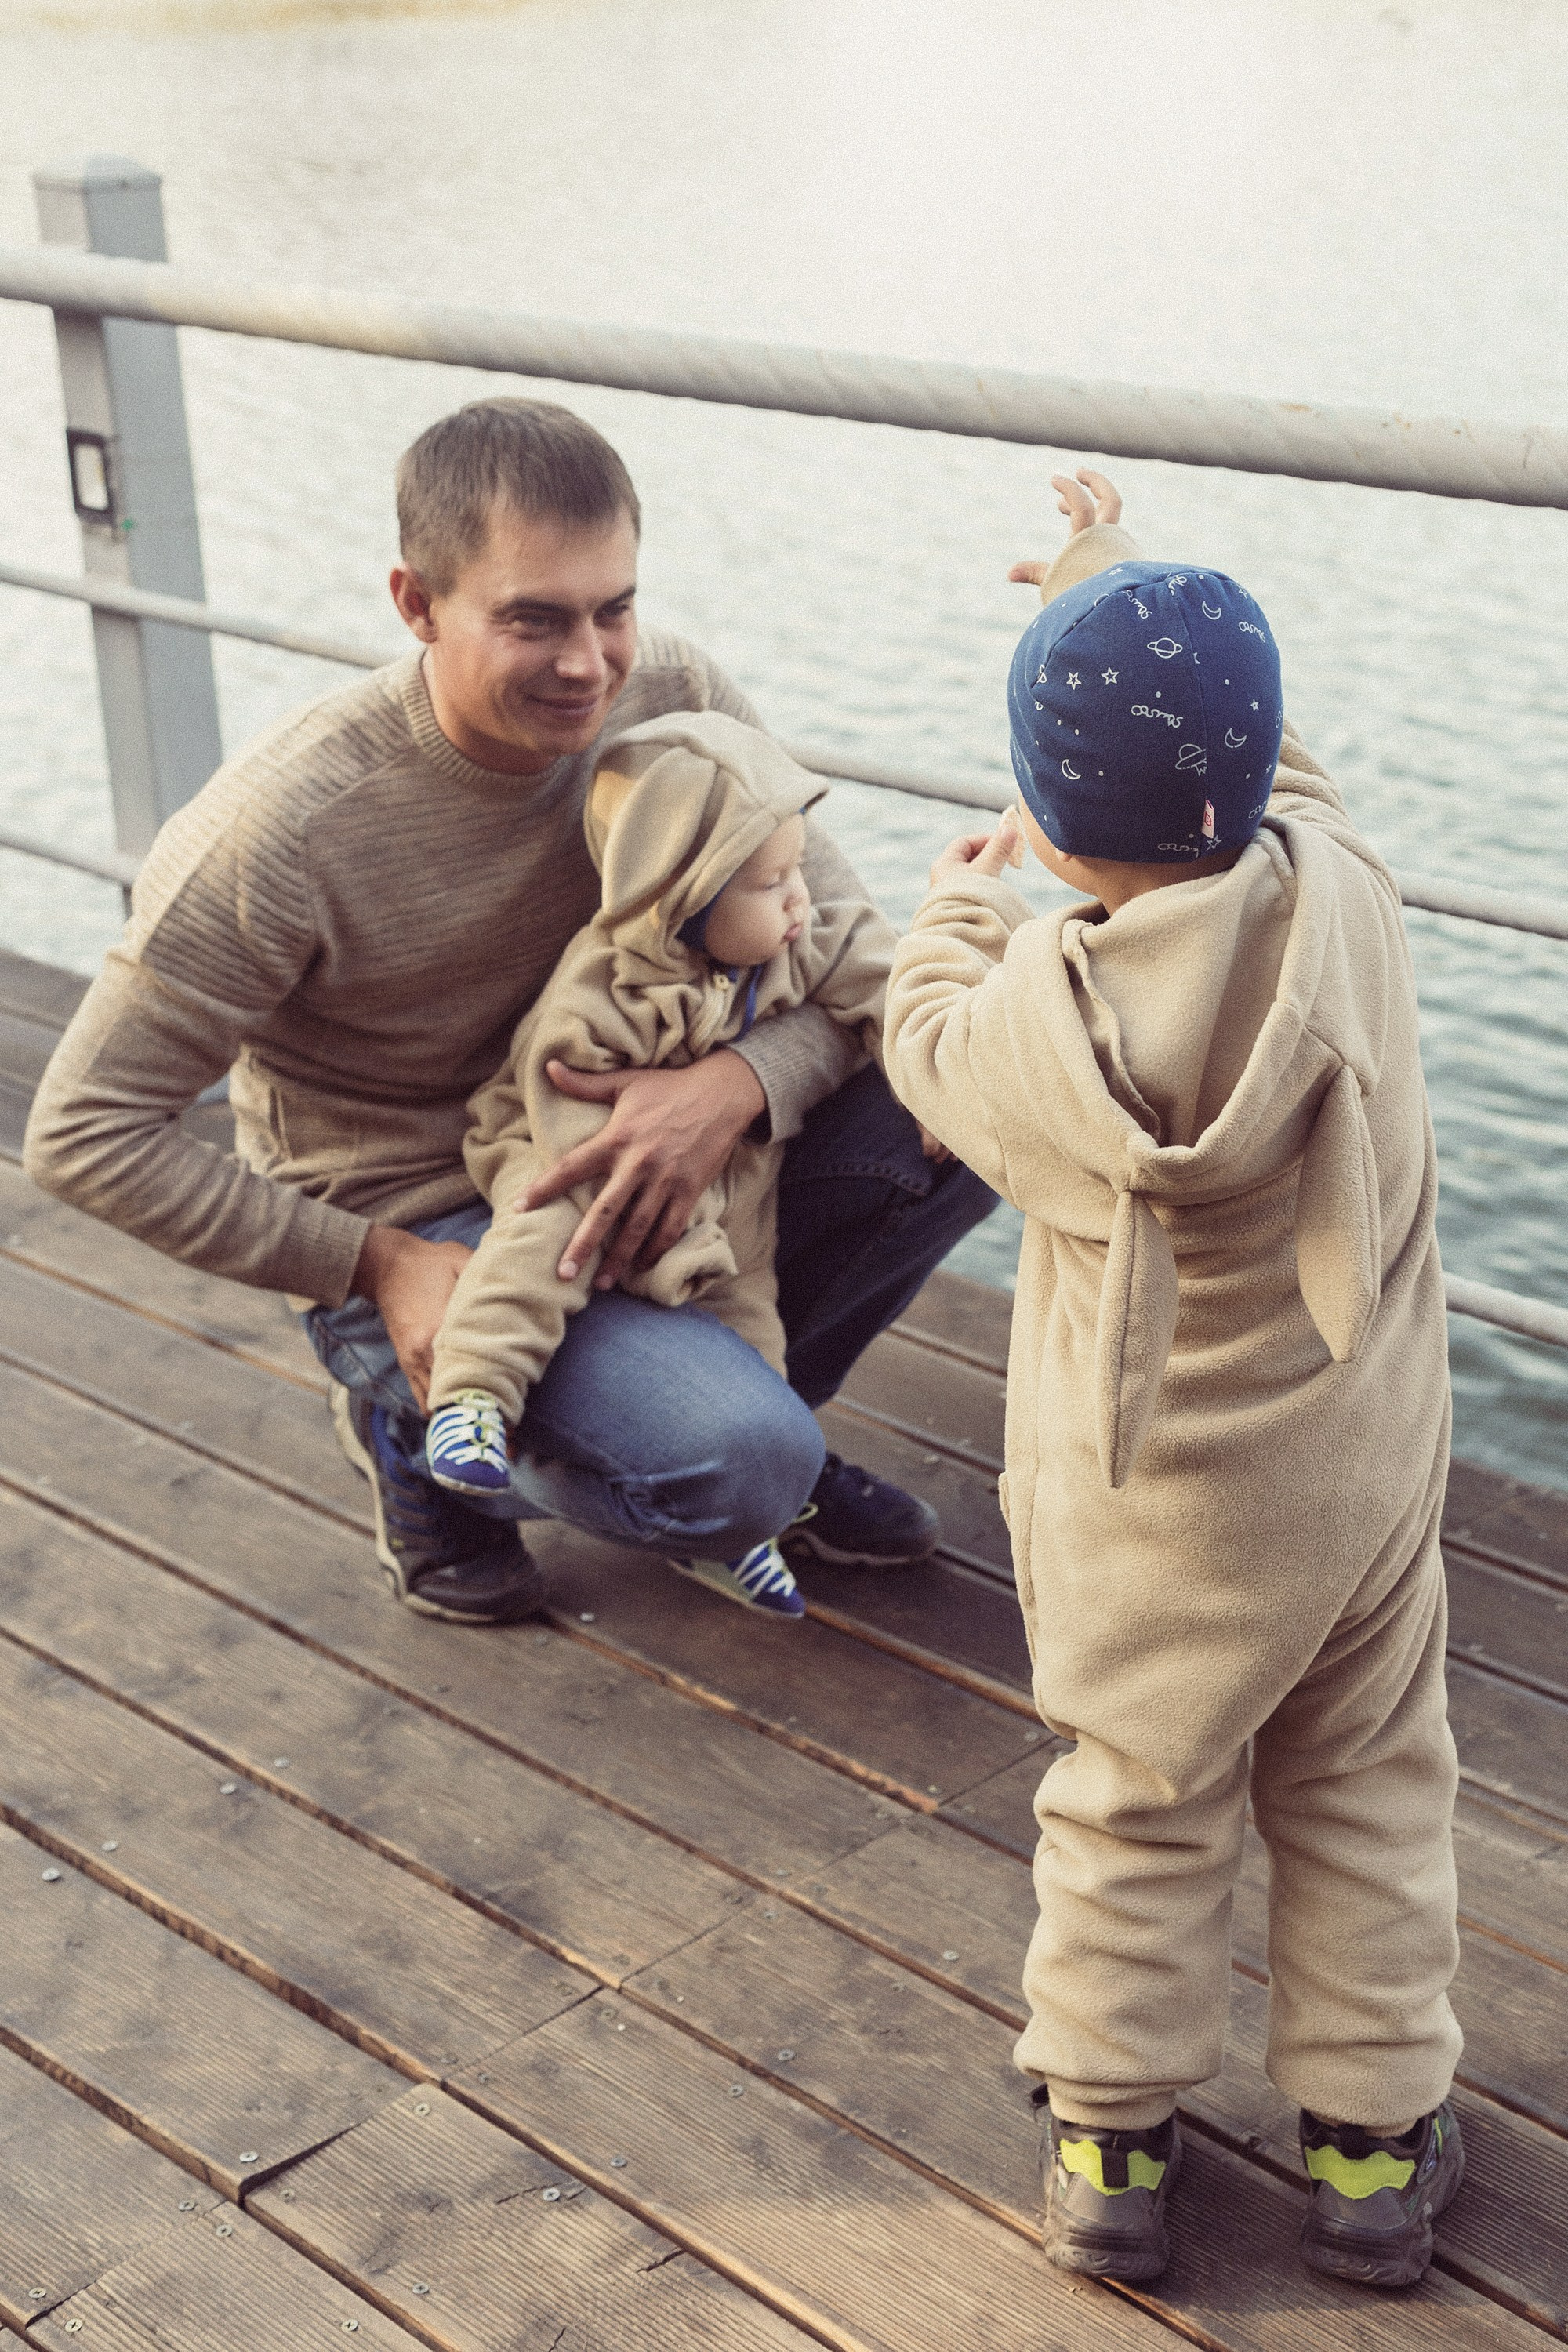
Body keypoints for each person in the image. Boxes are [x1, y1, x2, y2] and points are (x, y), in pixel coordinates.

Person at [24, 397, 996, 1627]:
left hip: (663, 1148)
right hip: (428, 1218)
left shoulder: (678, 700)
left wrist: (735, 1087)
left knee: (966, 1090)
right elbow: (85, 1133)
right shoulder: (280, 834)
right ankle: (433, 1437)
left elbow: (850, 949)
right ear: (417, 604)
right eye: (534, 619)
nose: (590, 664)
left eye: (614, 609)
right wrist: (376, 1265)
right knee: (732, 1464)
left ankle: (759, 1434)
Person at [882, 469, 1462, 2289]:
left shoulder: (1032, 1029)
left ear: (1051, 829)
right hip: (1350, 1485)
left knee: (1131, 1797)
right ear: (1257, 766)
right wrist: (1102, 562)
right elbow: (1277, 768)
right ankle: (1369, 2154)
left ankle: (1109, 2138)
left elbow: (917, 1043)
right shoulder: (1345, 902)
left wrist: (955, 910)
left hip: (1141, 1517)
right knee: (1365, 1782)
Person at [425, 708, 890, 1622]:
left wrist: (921, 1057)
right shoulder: (607, 986)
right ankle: (470, 1394)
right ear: (684, 897)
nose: (799, 897)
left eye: (795, 870)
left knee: (753, 1341)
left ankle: (734, 1529)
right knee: (538, 1248)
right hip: (580, 1167)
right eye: (769, 882)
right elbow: (559, 1096)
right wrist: (647, 1234)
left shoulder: (792, 943)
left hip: (725, 1202)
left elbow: (883, 972)